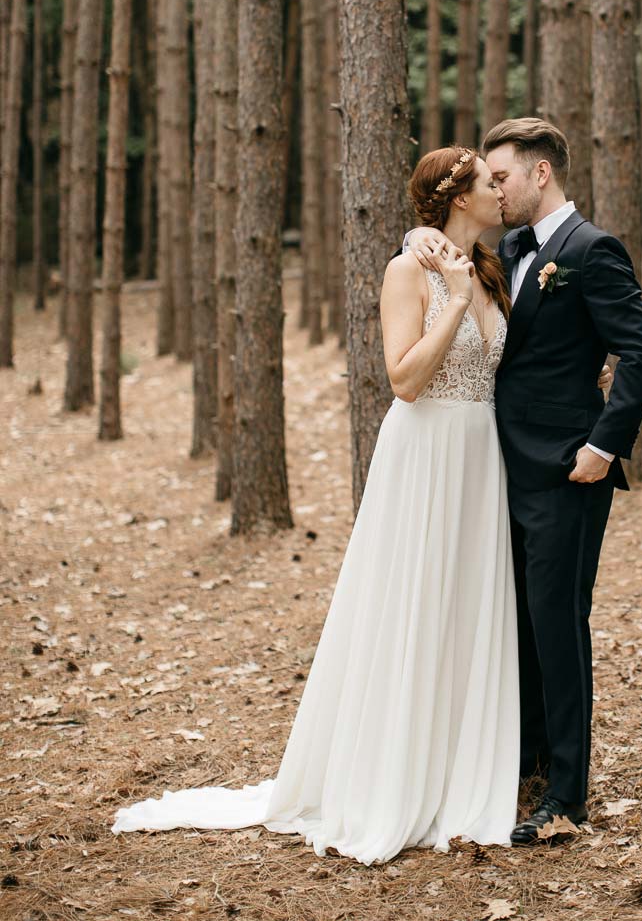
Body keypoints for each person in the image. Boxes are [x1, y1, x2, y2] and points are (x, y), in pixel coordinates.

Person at [114, 147, 522, 863]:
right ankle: (397, 778)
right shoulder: (411, 273)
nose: (502, 188)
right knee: (415, 607)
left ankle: (460, 773)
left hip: (478, 459)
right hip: (424, 456)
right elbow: (402, 380)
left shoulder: (495, 264)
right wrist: (450, 299)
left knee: (465, 608)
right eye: (491, 181)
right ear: (460, 196)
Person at [403, 117, 642, 844]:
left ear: (539, 173)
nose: (496, 188)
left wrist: (603, 446)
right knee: (515, 624)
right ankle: (528, 760)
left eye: (503, 175)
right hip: (497, 473)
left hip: (564, 473)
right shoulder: (509, 249)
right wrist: (411, 239)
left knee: (558, 625)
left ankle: (569, 794)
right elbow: (439, 258)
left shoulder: (591, 250)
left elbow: (641, 352)